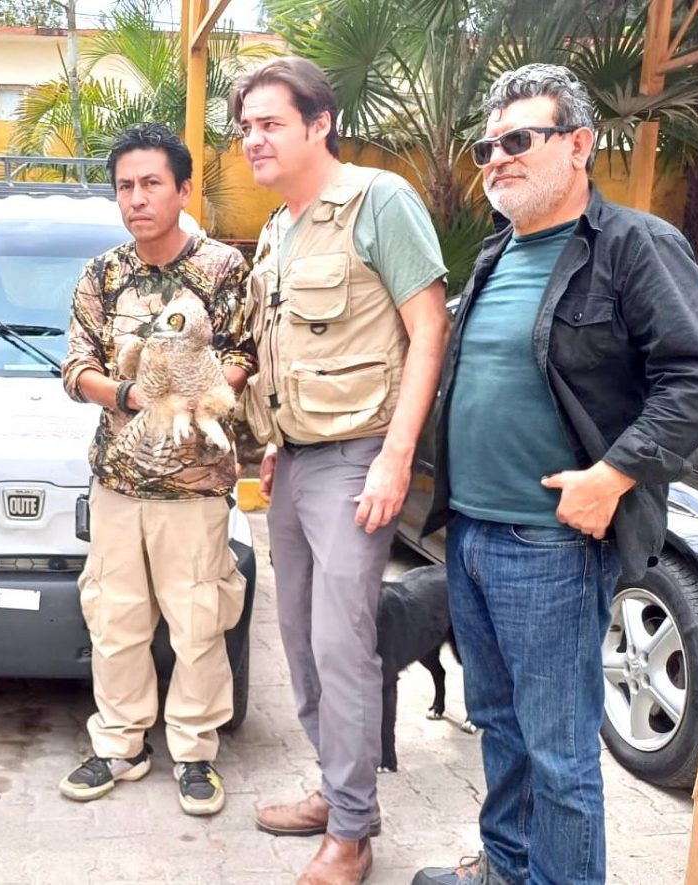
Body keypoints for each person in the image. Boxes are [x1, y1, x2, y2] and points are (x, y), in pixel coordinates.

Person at [413, 64, 698, 885]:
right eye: (486, 147)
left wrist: (611, 476)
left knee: (558, 749)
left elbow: (693, 379)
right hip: (470, 533)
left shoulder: (634, 246)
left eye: (519, 139)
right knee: (497, 723)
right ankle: (507, 867)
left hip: (552, 547)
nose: (496, 158)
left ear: (578, 144)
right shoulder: (498, 253)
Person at [232, 57, 449, 884]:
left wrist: (396, 455)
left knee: (342, 644)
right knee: (298, 639)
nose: (253, 139)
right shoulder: (278, 228)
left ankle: (352, 833)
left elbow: (428, 330)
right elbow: (288, 348)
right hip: (293, 460)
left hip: (359, 457)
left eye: (270, 123)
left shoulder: (378, 200)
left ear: (320, 123)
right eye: (246, 127)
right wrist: (272, 435)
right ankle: (336, 788)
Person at [59, 122, 255, 816]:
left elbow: (244, 354)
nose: (137, 198)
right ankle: (121, 744)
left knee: (198, 620)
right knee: (114, 618)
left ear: (183, 189)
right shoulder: (102, 274)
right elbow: (76, 365)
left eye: (150, 183)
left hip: (195, 485)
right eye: (125, 186)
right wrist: (129, 395)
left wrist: (193, 394)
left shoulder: (223, 269)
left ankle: (195, 751)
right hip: (118, 480)